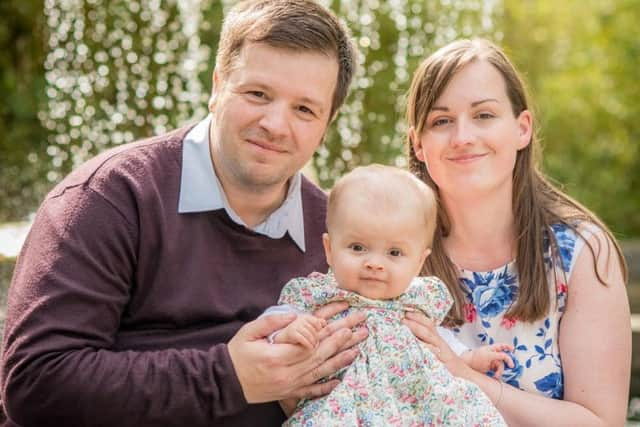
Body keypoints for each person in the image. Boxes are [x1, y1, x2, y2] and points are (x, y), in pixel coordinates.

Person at [0, 1, 369, 426]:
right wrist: (231, 378)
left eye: (304, 109)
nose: (275, 123)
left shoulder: (339, 235)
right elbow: (37, 382)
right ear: (217, 87)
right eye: (257, 94)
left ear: (328, 123)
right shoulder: (111, 198)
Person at [402, 38, 631, 426]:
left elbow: (601, 422)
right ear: (418, 144)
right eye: (441, 121)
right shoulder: (389, 252)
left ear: (522, 129)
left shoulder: (580, 253)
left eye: (484, 115)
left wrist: (464, 376)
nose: (463, 137)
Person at [265, 164, 512, 426]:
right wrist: (286, 332)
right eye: (358, 247)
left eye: (394, 253)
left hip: (419, 408)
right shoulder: (319, 294)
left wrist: (470, 358)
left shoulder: (416, 301)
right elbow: (273, 322)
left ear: (418, 263)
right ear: (329, 249)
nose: (375, 263)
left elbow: (438, 341)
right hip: (342, 408)